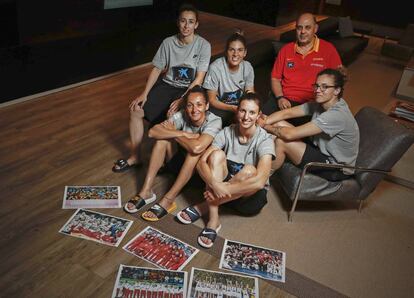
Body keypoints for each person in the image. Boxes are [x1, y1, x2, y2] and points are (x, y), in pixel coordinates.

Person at [112, 4, 211, 172]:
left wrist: (182, 99)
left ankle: (168, 162)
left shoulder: (204, 45)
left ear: (196, 25)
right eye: (183, 21)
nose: (186, 26)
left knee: (171, 116)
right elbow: (157, 69)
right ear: (178, 23)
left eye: (190, 22)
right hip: (167, 85)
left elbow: (199, 78)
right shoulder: (168, 43)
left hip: (188, 90)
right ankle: (135, 156)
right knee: (136, 109)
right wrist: (144, 94)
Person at [176, 93, 275, 248]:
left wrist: (222, 189)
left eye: (252, 112)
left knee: (249, 170)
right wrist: (216, 185)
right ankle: (213, 221)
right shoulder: (227, 132)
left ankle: (203, 206)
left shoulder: (265, 140)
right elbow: (201, 162)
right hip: (222, 187)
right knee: (216, 155)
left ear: (258, 115)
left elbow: (259, 182)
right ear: (237, 111)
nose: (246, 117)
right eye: (242, 111)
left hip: (248, 197)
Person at [124, 86, 222, 221]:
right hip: (177, 163)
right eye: (190, 105)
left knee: (195, 153)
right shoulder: (182, 114)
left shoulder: (215, 120)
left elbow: (197, 148)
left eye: (199, 105)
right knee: (161, 140)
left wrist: (172, 133)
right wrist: (183, 133)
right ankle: (146, 190)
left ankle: (168, 199)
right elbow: (153, 132)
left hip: (199, 175)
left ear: (207, 106)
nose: (194, 110)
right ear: (186, 107)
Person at [260, 68, 359, 181]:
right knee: (277, 123)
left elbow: (290, 135)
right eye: (316, 86)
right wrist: (264, 120)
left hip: (335, 167)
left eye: (325, 87)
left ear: (337, 90)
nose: (318, 90)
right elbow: (287, 112)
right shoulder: (321, 103)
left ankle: (261, 179)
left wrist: (264, 126)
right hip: (318, 149)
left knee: (282, 141)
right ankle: (262, 160)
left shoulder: (336, 115)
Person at [263, 12, 343, 126]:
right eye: (299, 28)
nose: (303, 32)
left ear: (315, 28)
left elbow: (339, 80)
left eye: (307, 27)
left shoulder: (329, 50)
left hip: (312, 104)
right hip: (284, 100)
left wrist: (324, 102)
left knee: (304, 136)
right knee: (259, 121)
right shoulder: (286, 50)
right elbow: (275, 78)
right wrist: (280, 97)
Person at [202, 30, 254, 126]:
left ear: (245, 52)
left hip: (239, 107)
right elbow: (212, 100)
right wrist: (233, 108)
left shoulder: (248, 67)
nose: (235, 54)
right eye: (232, 50)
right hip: (219, 108)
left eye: (240, 50)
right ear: (226, 51)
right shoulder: (215, 68)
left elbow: (249, 93)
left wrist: (251, 108)